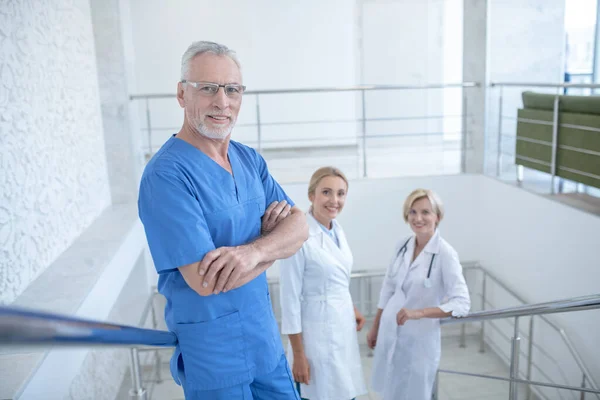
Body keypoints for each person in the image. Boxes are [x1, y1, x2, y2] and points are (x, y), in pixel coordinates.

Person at [138, 41, 308, 399]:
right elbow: (205, 280)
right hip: (214, 356)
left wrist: (250, 253)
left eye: (232, 89)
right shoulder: (166, 175)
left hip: (264, 340)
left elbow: (300, 227)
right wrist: (275, 246)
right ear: (182, 93)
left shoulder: (249, 160)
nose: (222, 101)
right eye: (208, 88)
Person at [366, 189, 470, 400]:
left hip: (420, 342)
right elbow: (388, 287)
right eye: (413, 212)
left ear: (437, 217)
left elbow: (462, 303)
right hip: (391, 332)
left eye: (425, 212)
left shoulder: (445, 253)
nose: (418, 218)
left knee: (415, 394)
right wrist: (375, 326)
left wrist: (419, 313)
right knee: (390, 392)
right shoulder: (402, 245)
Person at [279, 167, 367, 400]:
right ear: (311, 195)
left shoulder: (337, 229)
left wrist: (352, 308)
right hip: (314, 335)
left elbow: (336, 279)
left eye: (341, 193)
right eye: (326, 192)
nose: (334, 200)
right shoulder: (298, 235)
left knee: (345, 391)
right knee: (319, 393)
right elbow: (289, 299)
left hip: (342, 326)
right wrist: (299, 354)